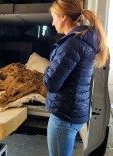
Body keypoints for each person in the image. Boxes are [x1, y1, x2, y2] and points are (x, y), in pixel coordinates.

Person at [43, 0, 108, 156]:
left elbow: (51, 83)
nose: (52, 23)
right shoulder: (84, 38)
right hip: (74, 111)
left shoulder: (71, 44)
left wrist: (45, 67)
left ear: (63, 17)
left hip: (63, 117)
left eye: (54, 17)